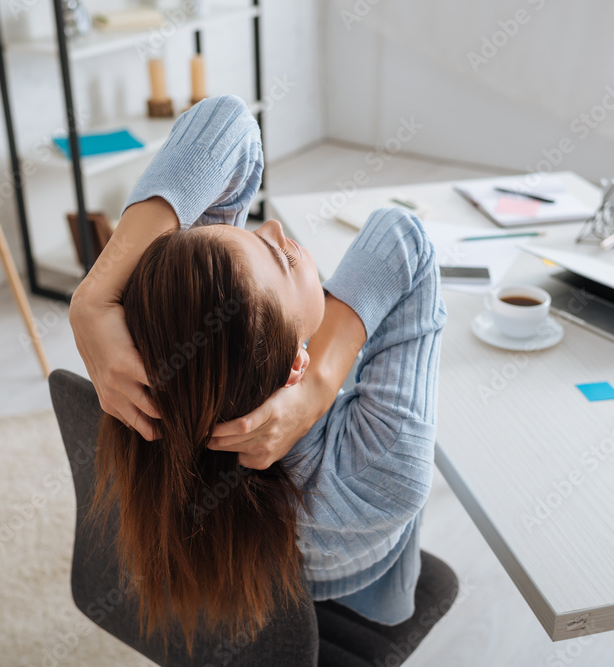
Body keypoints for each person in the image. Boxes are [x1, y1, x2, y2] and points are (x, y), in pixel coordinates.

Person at [70, 95, 447, 649]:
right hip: (358, 594)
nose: (272, 225)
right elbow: (402, 236)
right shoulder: (376, 461)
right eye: (283, 258)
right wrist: (319, 386)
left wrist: (96, 292)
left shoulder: (170, 365)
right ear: (296, 363)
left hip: (220, 588)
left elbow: (227, 123)